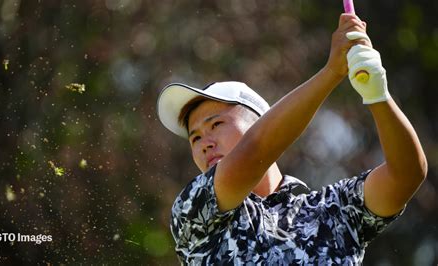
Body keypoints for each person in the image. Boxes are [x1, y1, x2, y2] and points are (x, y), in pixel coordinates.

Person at [156, 13, 427, 265]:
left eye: (216, 124)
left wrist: (378, 96)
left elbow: (406, 175)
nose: (205, 143)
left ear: (262, 123)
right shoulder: (193, 213)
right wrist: (332, 72)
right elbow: (254, 151)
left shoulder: (335, 211)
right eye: (195, 138)